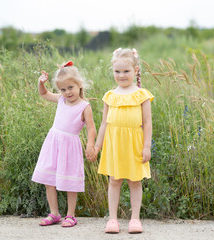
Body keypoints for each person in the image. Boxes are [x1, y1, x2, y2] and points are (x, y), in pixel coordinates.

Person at [94, 48, 154, 234]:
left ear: (135, 70)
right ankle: (113, 219)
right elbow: (104, 123)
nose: (121, 75)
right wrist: (97, 145)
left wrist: (146, 146)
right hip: (114, 144)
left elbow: (147, 123)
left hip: (134, 143)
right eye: (117, 71)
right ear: (113, 72)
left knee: (135, 181)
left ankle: (134, 219)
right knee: (114, 180)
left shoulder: (141, 95)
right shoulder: (110, 96)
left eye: (126, 71)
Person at [31, 61, 97, 227]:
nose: (67, 92)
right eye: (63, 89)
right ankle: (54, 213)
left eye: (70, 88)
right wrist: (40, 83)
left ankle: (70, 215)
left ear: (79, 85)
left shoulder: (84, 106)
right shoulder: (61, 100)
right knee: (49, 179)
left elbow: (91, 129)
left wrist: (90, 145)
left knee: (70, 181)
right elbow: (44, 94)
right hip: (53, 143)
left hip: (70, 147)